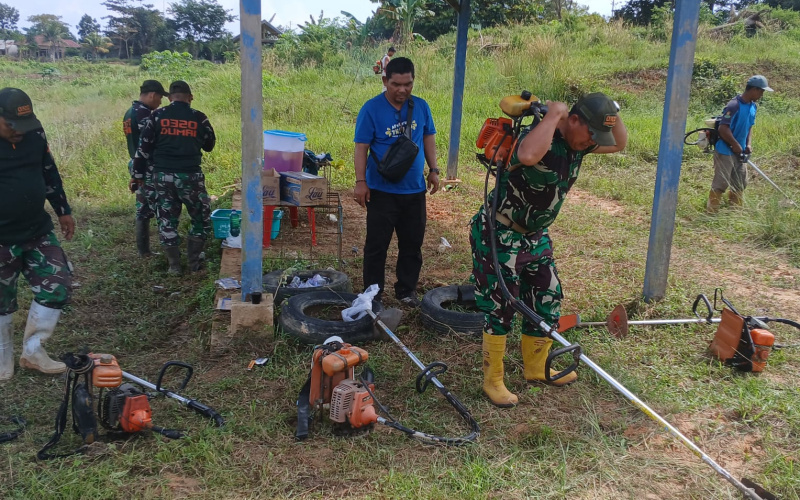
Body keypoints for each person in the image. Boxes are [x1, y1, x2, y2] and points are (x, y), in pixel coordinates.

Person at [470, 92, 627, 407]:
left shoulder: (580, 143)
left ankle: (537, 368)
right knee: (502, 304)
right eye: (590, 133)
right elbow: (527, 156)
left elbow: (619, 143)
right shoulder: (541, 138)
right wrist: (554, 114)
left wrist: (612, 110)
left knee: (547, 295)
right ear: (573, 121)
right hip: (500, 231)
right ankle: (493, 379)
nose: (592, 142)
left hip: (534, 235)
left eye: (598, 136)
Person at [0, 88, 76, 380]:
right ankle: (2, 359)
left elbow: (48, 169)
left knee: (56, 286)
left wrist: (63, 209)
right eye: (11, 126)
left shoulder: (34, 134)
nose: (19, 132)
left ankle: (33, 352)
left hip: (37, 231)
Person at [354, 57, 440, 307]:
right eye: (396, 84)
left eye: (408, 84)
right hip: (381, 191)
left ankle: (406, 289)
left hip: (414, 191)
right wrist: (361, 182)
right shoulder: (371, 109)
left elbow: (429, 138)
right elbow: (362, 147)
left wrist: (434, 170)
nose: (402, 90)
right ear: (385, 81)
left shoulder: (421, 107)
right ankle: (373, 293)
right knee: (376, 246)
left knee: (412, 244)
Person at [132, 80, 216, 275]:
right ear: (191, 98)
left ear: (170, 98)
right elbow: (209, 144)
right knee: (200, 217)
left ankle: (174, 266)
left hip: (162, 177)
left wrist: (137, 176)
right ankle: (194, 263)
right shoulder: (199, 118)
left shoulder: (156, 116)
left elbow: (142, 149)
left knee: (167, 218)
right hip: (191, 176)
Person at [707, 74, 773, 213]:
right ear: (754, 89)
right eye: (761, 91)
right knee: (721, 183)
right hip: (725, 151)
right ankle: (711, 212)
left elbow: (749, 127)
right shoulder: (734, 105)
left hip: (741, 152)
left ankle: (735, 213)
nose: (761, 95)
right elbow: (723, 128)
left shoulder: (753, 106)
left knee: (740, 184)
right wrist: (735, 144)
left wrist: (748, 144)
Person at [123, 80, 167, 256]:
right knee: (161, 207)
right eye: (160, 98)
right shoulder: (144, 114)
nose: (160, 103)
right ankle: (169, 251)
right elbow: (149, 142)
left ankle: (144, 251)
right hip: (147, 167)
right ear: (152, 95)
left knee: (142, 208)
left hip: (136, 165)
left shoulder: (129, 112)